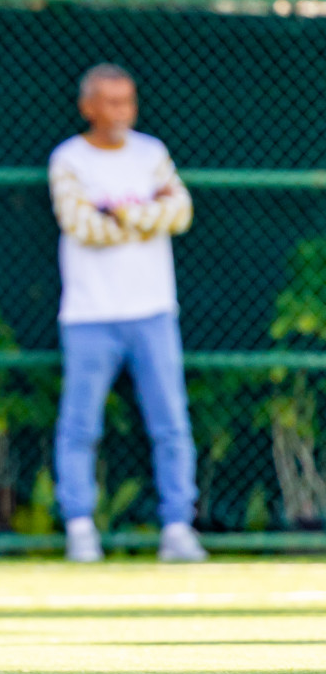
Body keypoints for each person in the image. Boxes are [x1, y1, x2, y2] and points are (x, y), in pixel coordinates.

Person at [48, 64, 206, 563]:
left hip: (154, 311)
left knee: (171, 424)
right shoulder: (68, 159)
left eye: (127, 101)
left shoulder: (152, 153)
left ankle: (178, 529)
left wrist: (116, 212)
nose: (120, 112)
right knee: (80, 426)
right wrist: (146, 216)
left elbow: (181, 212)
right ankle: (79, 529)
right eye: (109, 102)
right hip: (89, 314)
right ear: (87, 106)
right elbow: (82, 227)